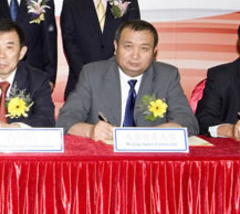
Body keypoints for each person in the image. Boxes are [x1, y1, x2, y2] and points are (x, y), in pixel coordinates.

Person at [57, 19, 198, 140]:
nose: (135, 56)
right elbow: (66, 119)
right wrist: (90, 131)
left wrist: (162, 131)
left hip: (149, 160)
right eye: (128, 47)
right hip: (106, 159)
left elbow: (188, 122)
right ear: (116, 47)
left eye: (144, 49)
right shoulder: (93, 74)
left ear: (154, 52)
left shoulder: (166, 76)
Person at [61, 0, 140, 100]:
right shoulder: (71, 3)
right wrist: (88, 74)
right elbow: (70, 43)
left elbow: (134, 41)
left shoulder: (128, 0)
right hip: (81, 80)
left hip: (120, 79)